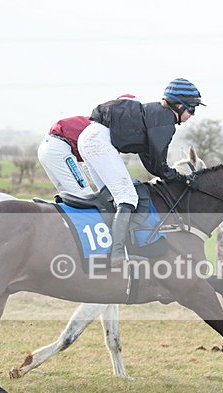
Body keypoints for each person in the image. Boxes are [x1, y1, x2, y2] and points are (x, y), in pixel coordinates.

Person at [77, 79, 205, 266]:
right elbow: (160, 166)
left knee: (110, 197)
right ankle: (118, 254)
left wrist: (175, 177)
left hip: (90, 137)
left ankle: (104, 245)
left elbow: (152, 164)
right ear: (178, 105)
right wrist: (183, 179)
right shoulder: (166, 121)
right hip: (99, 141)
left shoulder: (156, 116)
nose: (192, 115)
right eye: (192, 109)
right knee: (127, 197)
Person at [37, 95, 138, 194]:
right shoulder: (107, 128)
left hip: (48, 147)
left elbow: (90, 165)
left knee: (69, 196)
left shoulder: (100, 120)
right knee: (84, 195)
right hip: (59, 148)